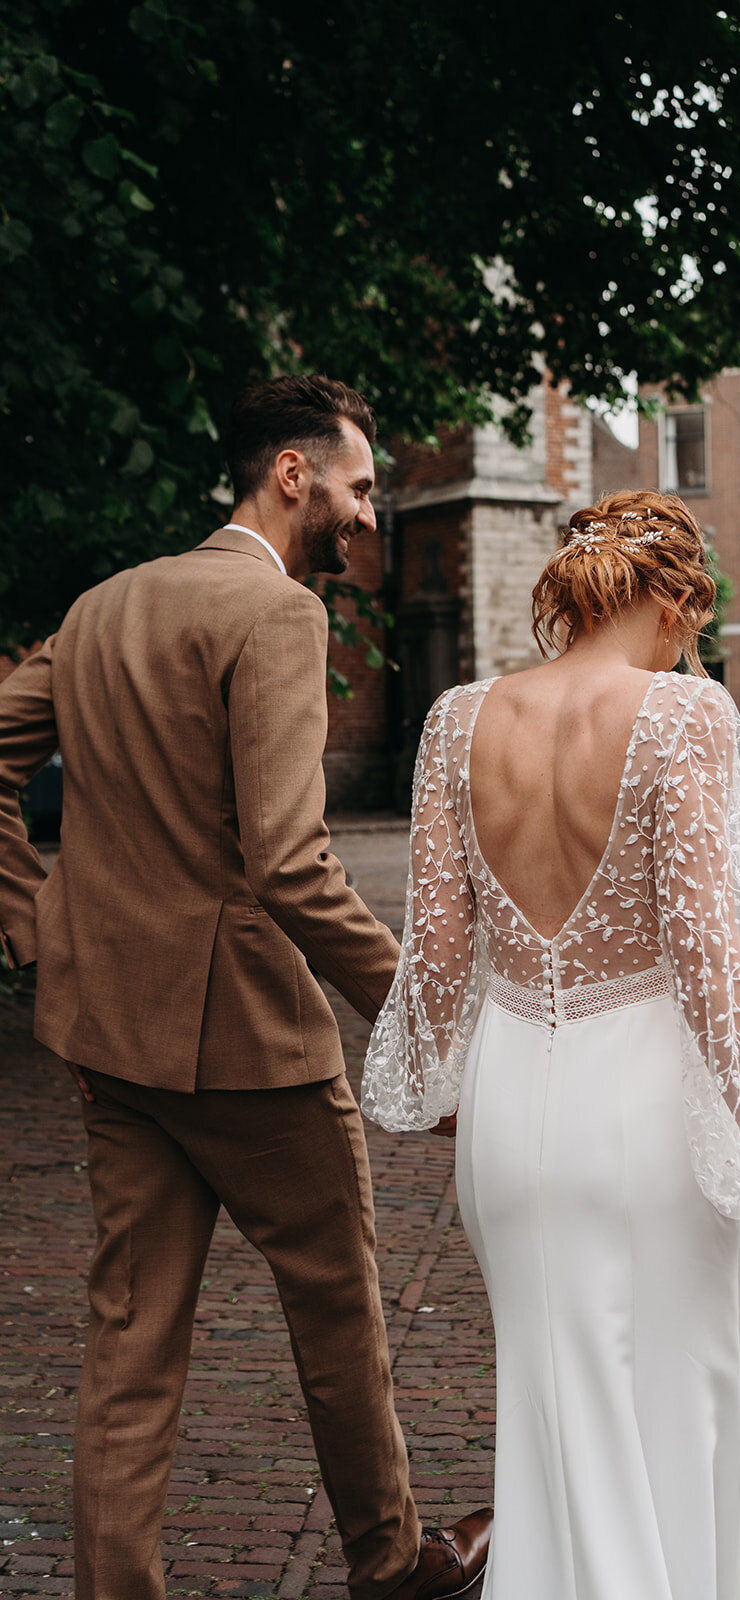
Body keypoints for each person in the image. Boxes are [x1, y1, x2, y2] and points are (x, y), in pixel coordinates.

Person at [0, 375, 490, 1600]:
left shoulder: (102, 606)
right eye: (360, 486)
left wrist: (38, 931)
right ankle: (389, 1565)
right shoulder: (275, 614)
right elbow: (289, 860)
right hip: (252, 1052)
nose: (368, 516)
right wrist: (426, 1023)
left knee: (129, 1337)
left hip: (109, 1034)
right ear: (290, 473)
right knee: (337, 1316)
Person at [361, 489, 740, 1600]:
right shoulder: (683, 716)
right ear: (677, 600)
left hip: (507, 1109)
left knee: (554, 1406)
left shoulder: (454, 719)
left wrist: (465, 1091)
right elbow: (711, 965)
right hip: (641, 1108)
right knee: (680, 1396)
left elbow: (438, 961)